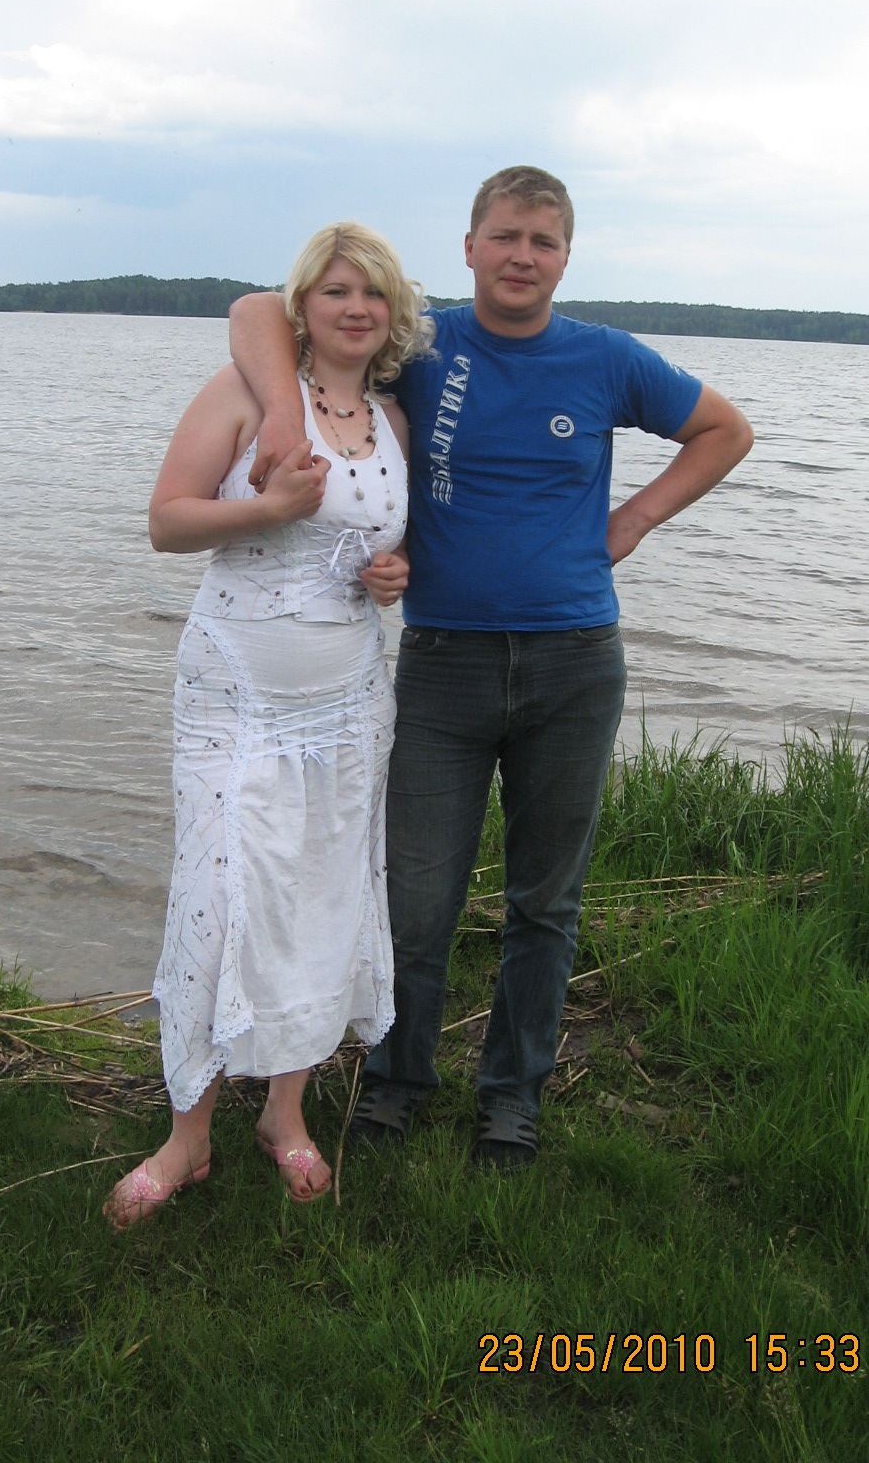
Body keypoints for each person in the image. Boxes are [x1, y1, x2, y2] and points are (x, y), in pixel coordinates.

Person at [227, 166, 754, 1169]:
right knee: (417, 898)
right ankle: (396, 1081)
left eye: (543, 241)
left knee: (543, 905)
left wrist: (636, 519)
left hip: (574, 662)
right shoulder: (420, 348)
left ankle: (512, 1097)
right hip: (444, 664)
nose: (522, 257)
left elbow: (725, 429)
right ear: (469, 248)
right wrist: (286, 422)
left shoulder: (607, 358)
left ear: (566, 257)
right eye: (505, 236)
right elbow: (259, 312)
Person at [104, 223, 430, 1228]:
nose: (355, 308)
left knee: (318, 896)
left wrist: (391, 575)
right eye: (335, 290)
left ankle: (284, 1114)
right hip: (235, 693)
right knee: (218, 895)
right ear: (304, 306)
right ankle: (188, 1133)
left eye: (372, 292)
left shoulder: (391, 419)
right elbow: (166, 520)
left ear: (391, 312)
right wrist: (265, 509)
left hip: (350, 699)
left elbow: (375, 548)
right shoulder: (247, 394)